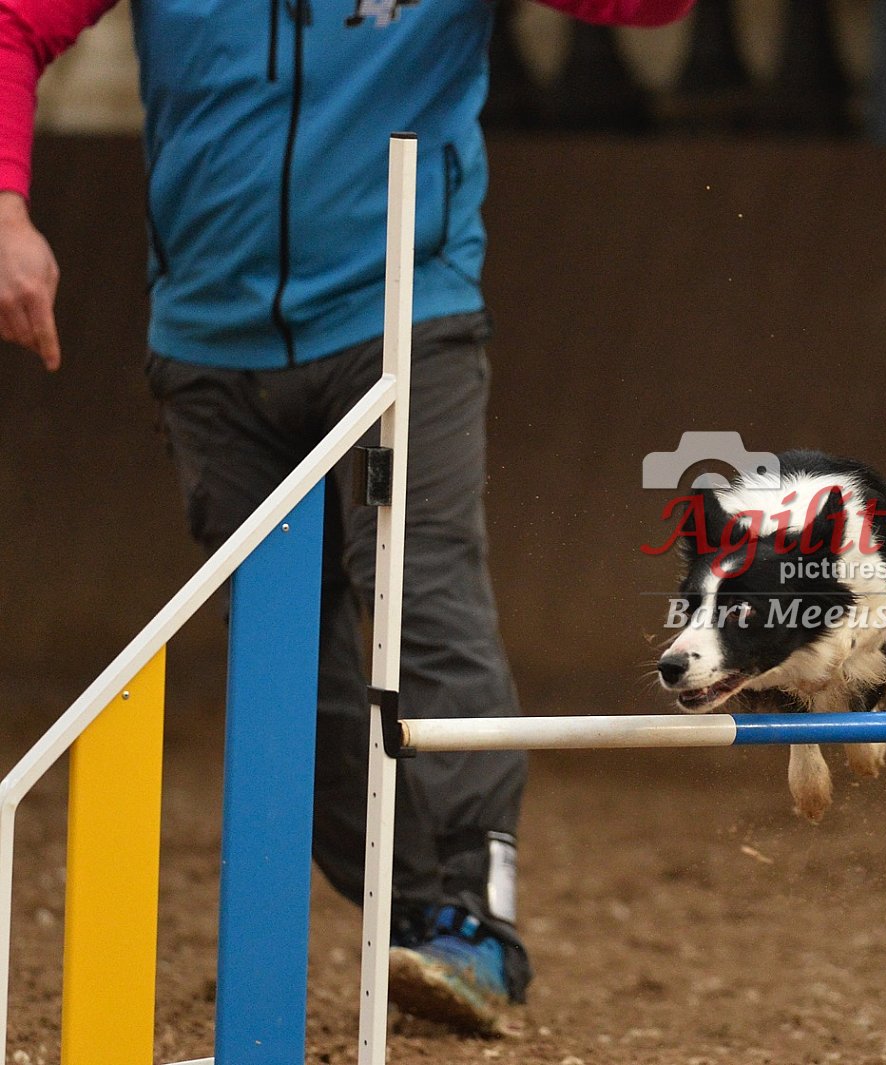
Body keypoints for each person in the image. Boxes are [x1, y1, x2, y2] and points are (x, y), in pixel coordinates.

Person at [0, 0, 693, 1035]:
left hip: (402, 316)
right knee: (284, 667)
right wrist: (4, 209)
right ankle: (416, 907)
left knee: (424, 599)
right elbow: (13, 23)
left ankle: (474, 912)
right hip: (207, 343)